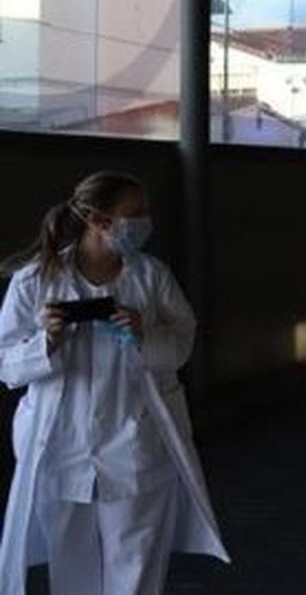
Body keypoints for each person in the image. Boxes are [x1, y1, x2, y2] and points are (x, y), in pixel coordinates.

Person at [0, 171, 229, 594]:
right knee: (72, 568)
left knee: (137, 566)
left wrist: (144, 333)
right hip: (60, 450)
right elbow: (6, 364)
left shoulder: (151, 277)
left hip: (136, 449)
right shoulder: (36, 280)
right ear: (97, 219)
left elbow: (182, 342)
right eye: (134, 214)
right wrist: (46, 342)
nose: (144, 222)